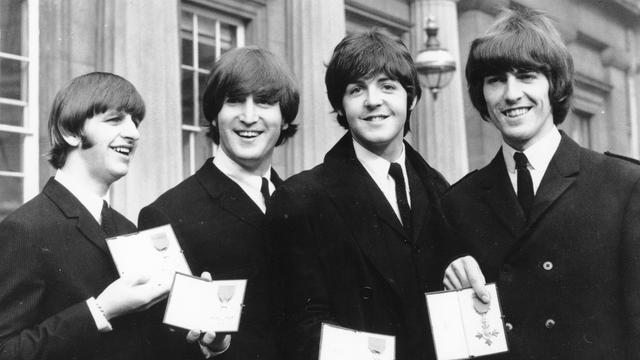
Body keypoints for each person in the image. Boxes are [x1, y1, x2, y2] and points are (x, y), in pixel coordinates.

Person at [442, 8, 640, 359]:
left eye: (526, 76)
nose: (511, 94)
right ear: (482, 95)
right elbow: (457, 346)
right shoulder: (459, 202)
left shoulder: (623, 187)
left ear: (555, 85)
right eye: (496, 80)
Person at [268, 29, 456, 360]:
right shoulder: (301, 199)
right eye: (357, 89)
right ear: (340, 104)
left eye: (387, 86)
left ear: (410, 98)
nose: (373, 101)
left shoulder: (440, 189)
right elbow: (302, 330)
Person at [138, 46, 299, 359]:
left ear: (285, 117)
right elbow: (159, 347)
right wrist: (214, 349)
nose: (249, 117)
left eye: (264, 102)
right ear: (214, 114)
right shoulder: (166, 215)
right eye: (235, 101)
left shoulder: (304, 203)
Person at [0, 72, 169, 359]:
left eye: (135, 122)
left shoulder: (126, 228)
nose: (134, 133)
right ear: (71, 132)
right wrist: (99, 310)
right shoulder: (25, 229)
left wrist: (203, 340)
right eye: (115, 119)